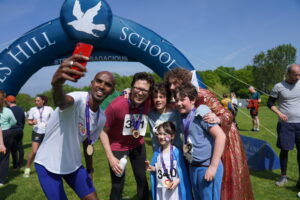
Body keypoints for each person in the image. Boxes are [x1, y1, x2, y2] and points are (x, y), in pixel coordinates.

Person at [34, 54, 115, 200]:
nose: (102, 86)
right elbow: (63, 101)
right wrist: (57, 85)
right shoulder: (78, 98)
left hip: (74, 165)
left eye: (108, 84)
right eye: (99, 81)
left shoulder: (101, 117)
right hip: (47, 164)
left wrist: (90, 169)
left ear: (111, 90)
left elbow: (88, 143)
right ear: (92, 83)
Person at [164, 67, 254, 200]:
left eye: (175, 83)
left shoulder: (202, 96)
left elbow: (227, 116)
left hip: (220, 141)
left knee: (219, 189)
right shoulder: (179, 104)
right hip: (196, 156)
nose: (171, 86)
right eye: (169, 84)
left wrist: (219, 119)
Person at [100, 72, 154, 200]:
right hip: (118, 147)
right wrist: (111, 157)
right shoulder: (116, 105)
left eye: (144, 90)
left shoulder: (149, 102)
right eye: (137, 88)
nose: (140, 93)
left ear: (149, 92)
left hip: (138, 145)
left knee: (142, 180)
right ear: (131, 88)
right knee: (118, 184)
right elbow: (102, 131)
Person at [175, 83, 226, 200]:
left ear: (193, 100)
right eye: (176, 100)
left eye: (182, 99)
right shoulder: (181, 116)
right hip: (193, 167)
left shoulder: (201, 113)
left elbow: (221, 136)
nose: (178, 103)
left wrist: (213, 166)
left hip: (207, 167)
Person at [267, 63, 300, 187]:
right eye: (295, 75)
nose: (298, 77)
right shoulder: (278, 86)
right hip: (285, 125)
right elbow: (270, 103)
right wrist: (279, 113)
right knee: (285, 150)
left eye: (299, 75)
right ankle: (283, 177)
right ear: (288, 73)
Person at [146, 121, 192, 200]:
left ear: (172, 136)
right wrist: (153, 168)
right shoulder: (157, 153)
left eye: (165, 134)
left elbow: (183, 172)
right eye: (160, 133)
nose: (161, 136)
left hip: (175, 190)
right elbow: (162, 168)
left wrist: (177, 181)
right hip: (161, 189)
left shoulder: (177, 152)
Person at [23, 95, 53, 178]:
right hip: (37, 131)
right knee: (35, 151)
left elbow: (54, 119)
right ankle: (27, 168)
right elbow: (29, 121)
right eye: (35, 101)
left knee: (47, 151)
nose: (36, 102)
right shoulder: (33, 109)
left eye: (38, 100)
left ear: (43, 101)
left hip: (47, 132)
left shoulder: (49, 109)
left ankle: (47, 169)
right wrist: (32, 123)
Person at [148, 83, 183, 151]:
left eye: (161, 97)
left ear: (167, 98)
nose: (158, 100)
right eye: (155, 97)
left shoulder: (176, 112)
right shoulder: (150, 114)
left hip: (176, 152)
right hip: (158, 152)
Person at [0, 90, 17, 186]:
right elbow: (14, 122)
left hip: (4, 133)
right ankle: (2, 180)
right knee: (4, 157)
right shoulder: (8, 111)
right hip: (7, 133)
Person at [6, 95, 26, 170]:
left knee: (13, 149)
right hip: (20, 130)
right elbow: (23, 120)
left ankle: (15, 165)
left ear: (8, 102)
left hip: (12, 130)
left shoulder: (9, 110)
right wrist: (21, 128)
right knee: (20, 147)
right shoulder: (21, 109)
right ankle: (21, 163)